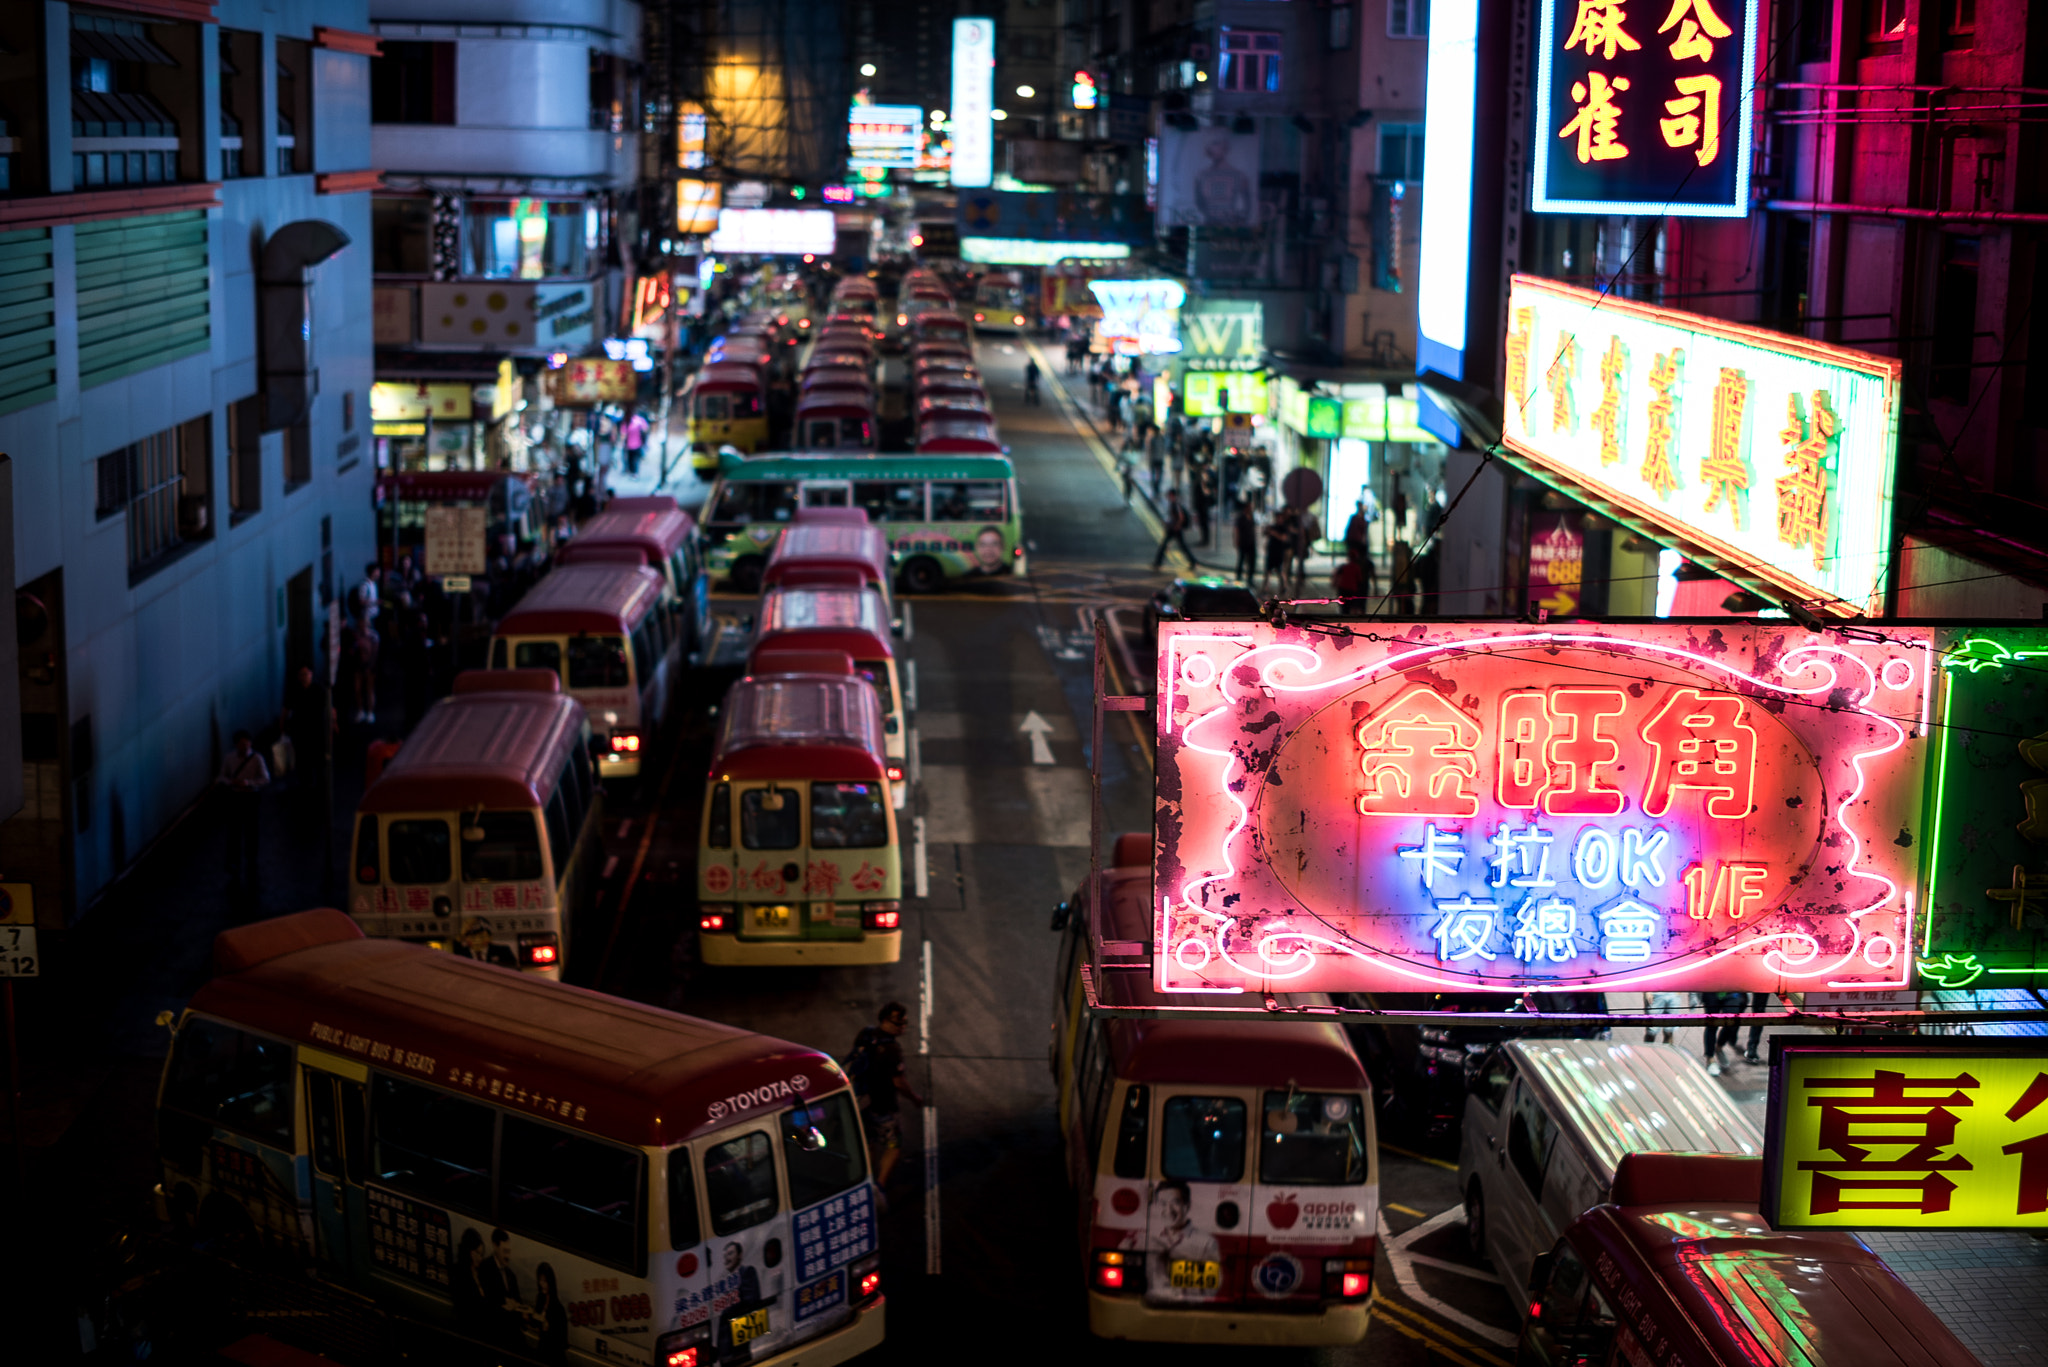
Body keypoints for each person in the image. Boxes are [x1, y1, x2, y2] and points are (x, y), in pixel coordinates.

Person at [849, 1002, 924, 1189]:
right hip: (883, 1106)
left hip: (860, 1102)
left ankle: (866, 1178)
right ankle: (880, 1186)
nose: (903, 1027)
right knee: (894, 1145)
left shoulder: (865, 1033)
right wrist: (914, 1098)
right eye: (899, 1023)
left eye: (905, 1023)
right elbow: (898, 1082)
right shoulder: (892, 1049)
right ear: (885, 1021)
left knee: (868, 1141)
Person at [1123, 1179, 1222, 1304]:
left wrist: (1167, 1262)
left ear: (1187, 1206)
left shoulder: (1206, 1243)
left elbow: (1209, 1291)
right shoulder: (1145, 1238)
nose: (1168, 1210)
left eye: (1175, 1203)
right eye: (1163, 1203)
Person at [218, 730, 269, 886]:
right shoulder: (230, 759)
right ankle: (236, 861)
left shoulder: (257, 759)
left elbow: (265, 779)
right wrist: (231, 783)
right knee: (235, 830)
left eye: (247, 744)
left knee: (251, 829)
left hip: (250, 797)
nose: (245, 747)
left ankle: (249, 858)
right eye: (242, 744)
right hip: (236, 797)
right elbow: (222, 776)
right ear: (236, 745)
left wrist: (248, 784)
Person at [479, 1228, 523, 1347]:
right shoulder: (485, 1268)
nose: (507, 1256)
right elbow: (484, 1301)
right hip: (494, 1331)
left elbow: (518, 1300)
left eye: (509, 1251)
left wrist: (519, 1308)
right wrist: (504, 1306)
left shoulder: (511, 1275)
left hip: (511, 1332)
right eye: (504, 1251)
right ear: (495, 1247)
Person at [453, 1228, 490, 1335]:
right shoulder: (459, 1273)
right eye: (477, 1253)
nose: (480, 1258)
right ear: (468, 1251)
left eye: (481, 1254)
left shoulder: (482, 1273)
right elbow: (464, 1307)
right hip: (470, 1328)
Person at [530, 1262, 568, 1364]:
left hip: (554, 1354)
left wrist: (548, 1327)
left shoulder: (558, 1308)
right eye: (540, 1280)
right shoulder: (540, 1298)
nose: (542, 1284)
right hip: (542, 1349)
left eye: (545, 1281)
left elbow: (562, 1341)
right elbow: (535, 1322)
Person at [1700, 991, 1745, 1075]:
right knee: (1711, 1024)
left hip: (1731, 990)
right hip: (1711, 990)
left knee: (1732, 1022)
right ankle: (1710, 1059)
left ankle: (1719, 1047)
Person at [1153, 489, 1195, 571]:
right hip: (1173, 529)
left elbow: (1181, 517)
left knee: (1168, 545)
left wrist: (1177, 526)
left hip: (1175, 529)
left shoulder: (1175, 504)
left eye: (1169, 495)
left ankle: (1158, 563)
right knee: (1172, 545)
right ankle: (1158, 563)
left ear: (1172, 495)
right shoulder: (1173, 504)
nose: (1167, 497)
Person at [1261, 505, 1297, 596]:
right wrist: (1266, 530)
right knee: (1268, 571)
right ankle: (1266, 588)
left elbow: (1283, 538)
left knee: (1281, 571)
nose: (1278, 519)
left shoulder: (1284, 528)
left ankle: (1284, 587)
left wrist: (1273, 533)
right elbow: (1265, 534)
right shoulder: (1273, 526)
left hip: (1279, 551)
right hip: (1271, 551)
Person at [1294, 507, 1322, 595]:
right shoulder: (1304, 515)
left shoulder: (1307, 516)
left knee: (1301, 558)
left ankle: (1301, 575)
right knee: (1300, 558)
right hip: (1302, 538)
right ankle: (1300, 575)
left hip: (1304, 538)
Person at [1233, 502, 1259, 583]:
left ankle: (1250, 578)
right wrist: (1236, 540)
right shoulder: (1241, 517)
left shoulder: (1252, 517)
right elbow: (1236, 530)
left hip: (1251, 542)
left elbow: (1253, 529)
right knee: (1241, 559)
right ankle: (1238, 576)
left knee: (1252, 561)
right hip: (1243, 542)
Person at [622, 408, 650, 476]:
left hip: (633, 443)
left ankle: (633, 472)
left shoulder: (630, 421)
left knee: (633, 458)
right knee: (633, 458)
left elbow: (623, 433)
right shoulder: (638, 420)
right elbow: (645, 429)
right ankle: (634, 472)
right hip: (635, 443)